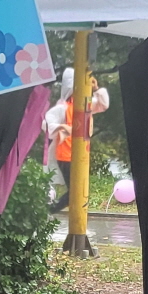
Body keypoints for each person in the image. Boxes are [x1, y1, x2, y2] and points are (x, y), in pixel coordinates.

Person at [43, 65, 110, 212]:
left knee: (80, 191)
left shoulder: (86, 104)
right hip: (65, 155)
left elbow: (104, 104)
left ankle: (50, 211)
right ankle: (48, 211)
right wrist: (62, 127)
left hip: (81, 154)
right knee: (76, 192)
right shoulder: (63, 107)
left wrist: (96, 89)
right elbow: (45, 123)